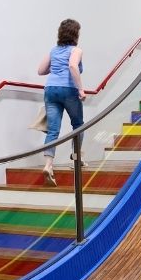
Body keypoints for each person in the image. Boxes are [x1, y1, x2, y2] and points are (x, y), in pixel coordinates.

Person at [37, 18, 86, 186]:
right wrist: (80, 89)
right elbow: (73, 66)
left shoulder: (53, 50)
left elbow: (40, 70)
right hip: (68, 90)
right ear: (76, 34)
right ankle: (76, 159)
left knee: (53, 131)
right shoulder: (76, 50)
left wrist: (57, 67)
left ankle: (48, 165)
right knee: (78, 125)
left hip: (50, 90)